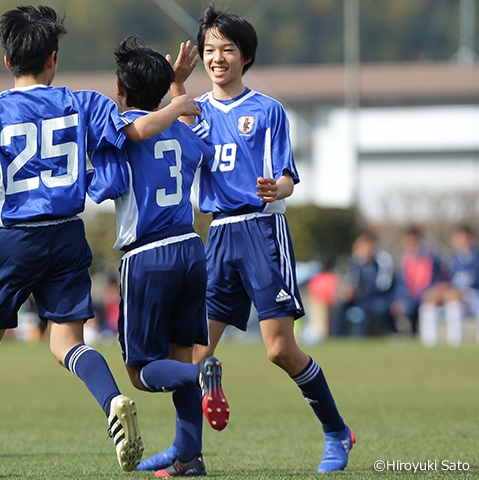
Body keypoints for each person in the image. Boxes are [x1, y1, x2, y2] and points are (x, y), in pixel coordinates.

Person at [0, 5, 201, 476]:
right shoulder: (84, 103)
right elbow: (138, 128)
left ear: (8, 62)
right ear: (53, 59)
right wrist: (177, 99)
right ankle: (111, 401)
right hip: (67, 235)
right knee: (66, 341)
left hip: (15, 239)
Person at [139, 3, 354, 473]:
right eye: (210, 49)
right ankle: (187, 455)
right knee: (197, 354)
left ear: (246, 57)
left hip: (261, 232)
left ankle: (338, 432)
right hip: (217, 237)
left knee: (279, 350)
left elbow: (288, 177)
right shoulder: (195, 109)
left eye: (228, 50)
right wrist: (175, 83)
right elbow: (181, 119)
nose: (217, 58)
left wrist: (277, 188)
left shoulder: (267, 110)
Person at [88, 35, 226, 478]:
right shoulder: (183, 127)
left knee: (141, 370)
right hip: (190, 249)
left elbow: (103, 187)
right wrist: (179, 90)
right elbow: (204, 138)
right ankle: (190, 458)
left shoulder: (121, 129)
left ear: (120, 88)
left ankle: (203, 378)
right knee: (179, 355)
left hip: (148, 256)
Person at [418, 224, 479, 347]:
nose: (459, 242)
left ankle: (455, 341)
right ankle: (429, 341)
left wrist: (459, 292)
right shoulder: (453, 258)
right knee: (431, 296)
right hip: (453, 293)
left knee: (453, 297)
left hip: (474, 295)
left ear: (470, 239)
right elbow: (445, 279)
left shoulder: (476, 257)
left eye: (462, 238)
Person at [332, 230, 396, 336]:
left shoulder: (383, 259)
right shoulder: (357, 260)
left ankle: (361, 338)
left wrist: (361, 290)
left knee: (366, 306)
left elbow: (383, 285)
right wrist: (350, 290)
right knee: (342, 304)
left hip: (380, 296)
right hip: (361, 295)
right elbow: (352, 279)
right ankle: (337, 337)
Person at [391, 226, 443, 336]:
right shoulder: (403, 258)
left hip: (426, 294)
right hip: (408, 297)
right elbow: (401, 282)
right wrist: (399, 299)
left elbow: (434, 278)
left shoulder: (431, 256)